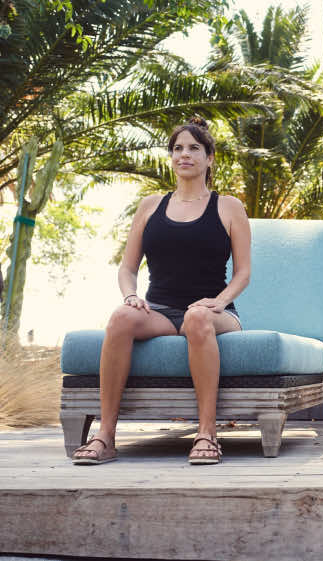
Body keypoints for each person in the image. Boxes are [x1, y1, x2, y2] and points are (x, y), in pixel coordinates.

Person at [71, 116, 251, 465]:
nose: (185, 155)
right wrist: (131, 296)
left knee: (197, 317)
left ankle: (207, 434)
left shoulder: (228, 206)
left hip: (215, 313)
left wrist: (220, 301)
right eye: (178, 149)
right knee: (121, 317)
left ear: (209, 158)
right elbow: (127, 268)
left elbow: (243, 272)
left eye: (194, 149)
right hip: (162, 311)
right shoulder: (150, 205)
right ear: (171, 157)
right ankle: (105, 436)